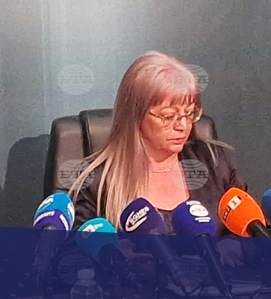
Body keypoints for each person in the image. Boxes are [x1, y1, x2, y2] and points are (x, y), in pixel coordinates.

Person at [67, 51, 247, 265]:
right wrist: (114, 259)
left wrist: (237, 246)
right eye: (169, 116)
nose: (183, 126)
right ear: (135, 115)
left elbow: (254, 229)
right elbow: (72, 261)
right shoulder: (97, 181)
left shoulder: (211, 162)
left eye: (190, 113)